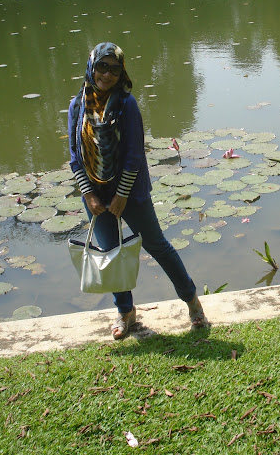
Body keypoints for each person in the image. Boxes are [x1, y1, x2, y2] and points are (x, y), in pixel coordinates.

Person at [68, 42, 208, 339]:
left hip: (130, 192)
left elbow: (134, 155)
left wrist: (121, 195)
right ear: (91, 67)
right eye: (102, 66)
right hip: (95, 195)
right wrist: (89, 195)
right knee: (111, 254)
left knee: (157, 246)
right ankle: (126, 313)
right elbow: (74, 156)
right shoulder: (77, 106)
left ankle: (193, 302)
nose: (107, 74)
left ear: (122, 73)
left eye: (114, 69)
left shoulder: (126, 104)